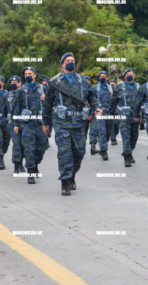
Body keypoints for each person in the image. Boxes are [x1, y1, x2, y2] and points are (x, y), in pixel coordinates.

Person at [43, 52, 102, 195]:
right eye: (67, 60)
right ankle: (65, 181)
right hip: (61, 122)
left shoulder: (82, 80)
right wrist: (46, 123)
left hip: (78, 122)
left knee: (79, 152)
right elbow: (47, 104)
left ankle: (72, 175)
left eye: (72, 60)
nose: (70, 62)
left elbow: (91, 97)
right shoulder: (55, 82)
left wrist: (96, 107)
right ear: (62, 64)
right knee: (64, 152)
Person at [12, 67, 48, 184]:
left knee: (42, 147)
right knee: (29, 149)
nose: (27, 75)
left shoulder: (42, 88)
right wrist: (16, 123)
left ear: (35, 75)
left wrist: (45, 99)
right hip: (26, 124)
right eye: (26, 74)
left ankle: (36, 164)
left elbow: (50, 105)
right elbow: (16, 107)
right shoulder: (21, 90)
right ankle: (31, 171)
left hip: (40, 124)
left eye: (30, 73)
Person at [110, 68, 140, 167]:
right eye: (127, 74)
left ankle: (129, 152)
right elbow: (113, 101)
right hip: (123, 116)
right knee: (126, 137)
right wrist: (112, 115)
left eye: (131, 74)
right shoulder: (118, 88)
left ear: (134, 76)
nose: (129, 75)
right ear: (124, 76)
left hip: (135, 116)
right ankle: (126, 157)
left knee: (134, 137)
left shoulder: (139, 87)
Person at [91, 71, 113, 160]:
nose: (102, 78)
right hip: (100, 112)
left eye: (104, 76)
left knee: (108, 132)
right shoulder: (94, 88)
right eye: (100, 76)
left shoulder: (111, 88)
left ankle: (104, 145)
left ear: (107, 78)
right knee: (102, 131)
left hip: (109, 112)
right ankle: (103, 151)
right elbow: (90, 100)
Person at [7, 75, 25, 173]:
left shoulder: (24, 94)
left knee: (23, 145)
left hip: (24, 122)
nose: (13, 84)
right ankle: (16, 165)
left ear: (20, 83)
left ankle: (21, 162)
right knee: (16, 144)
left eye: (15, 82)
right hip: (13, 123)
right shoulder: (8, 95)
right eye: (11, 83)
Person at [0, 75, 10, 170]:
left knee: (6, 141)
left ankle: (2, 153)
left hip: (6, 121)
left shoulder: (8, 94)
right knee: (0, 140)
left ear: (3, 83)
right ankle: (1, 159)